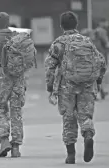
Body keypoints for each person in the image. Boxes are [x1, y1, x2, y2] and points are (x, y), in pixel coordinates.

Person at [45, 11, 107, 164]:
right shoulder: (87, 41)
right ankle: (87, 135)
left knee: (69, 118)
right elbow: (102, 63)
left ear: (61, 25)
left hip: (67, 87)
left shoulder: (59, 43)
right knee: (85, 115)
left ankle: (71, 154)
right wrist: (97, 82)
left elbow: (50, 67)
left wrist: (50, 87)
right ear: (76, 25)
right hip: (87, 85)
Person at [0, 12, 37, 157]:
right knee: (16, 111)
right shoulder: (17, 38)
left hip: (1, 76)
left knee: (0, 108)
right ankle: (16, 147)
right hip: (18, 77)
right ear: (8, 22)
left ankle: (4, 139)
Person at [94, 18, 109, 99]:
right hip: (101, 55)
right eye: (106, 22)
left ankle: (101, 92)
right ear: (101, 23)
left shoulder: (95, 31)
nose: (107, 23)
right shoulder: (102, 31)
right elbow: (106, 43)